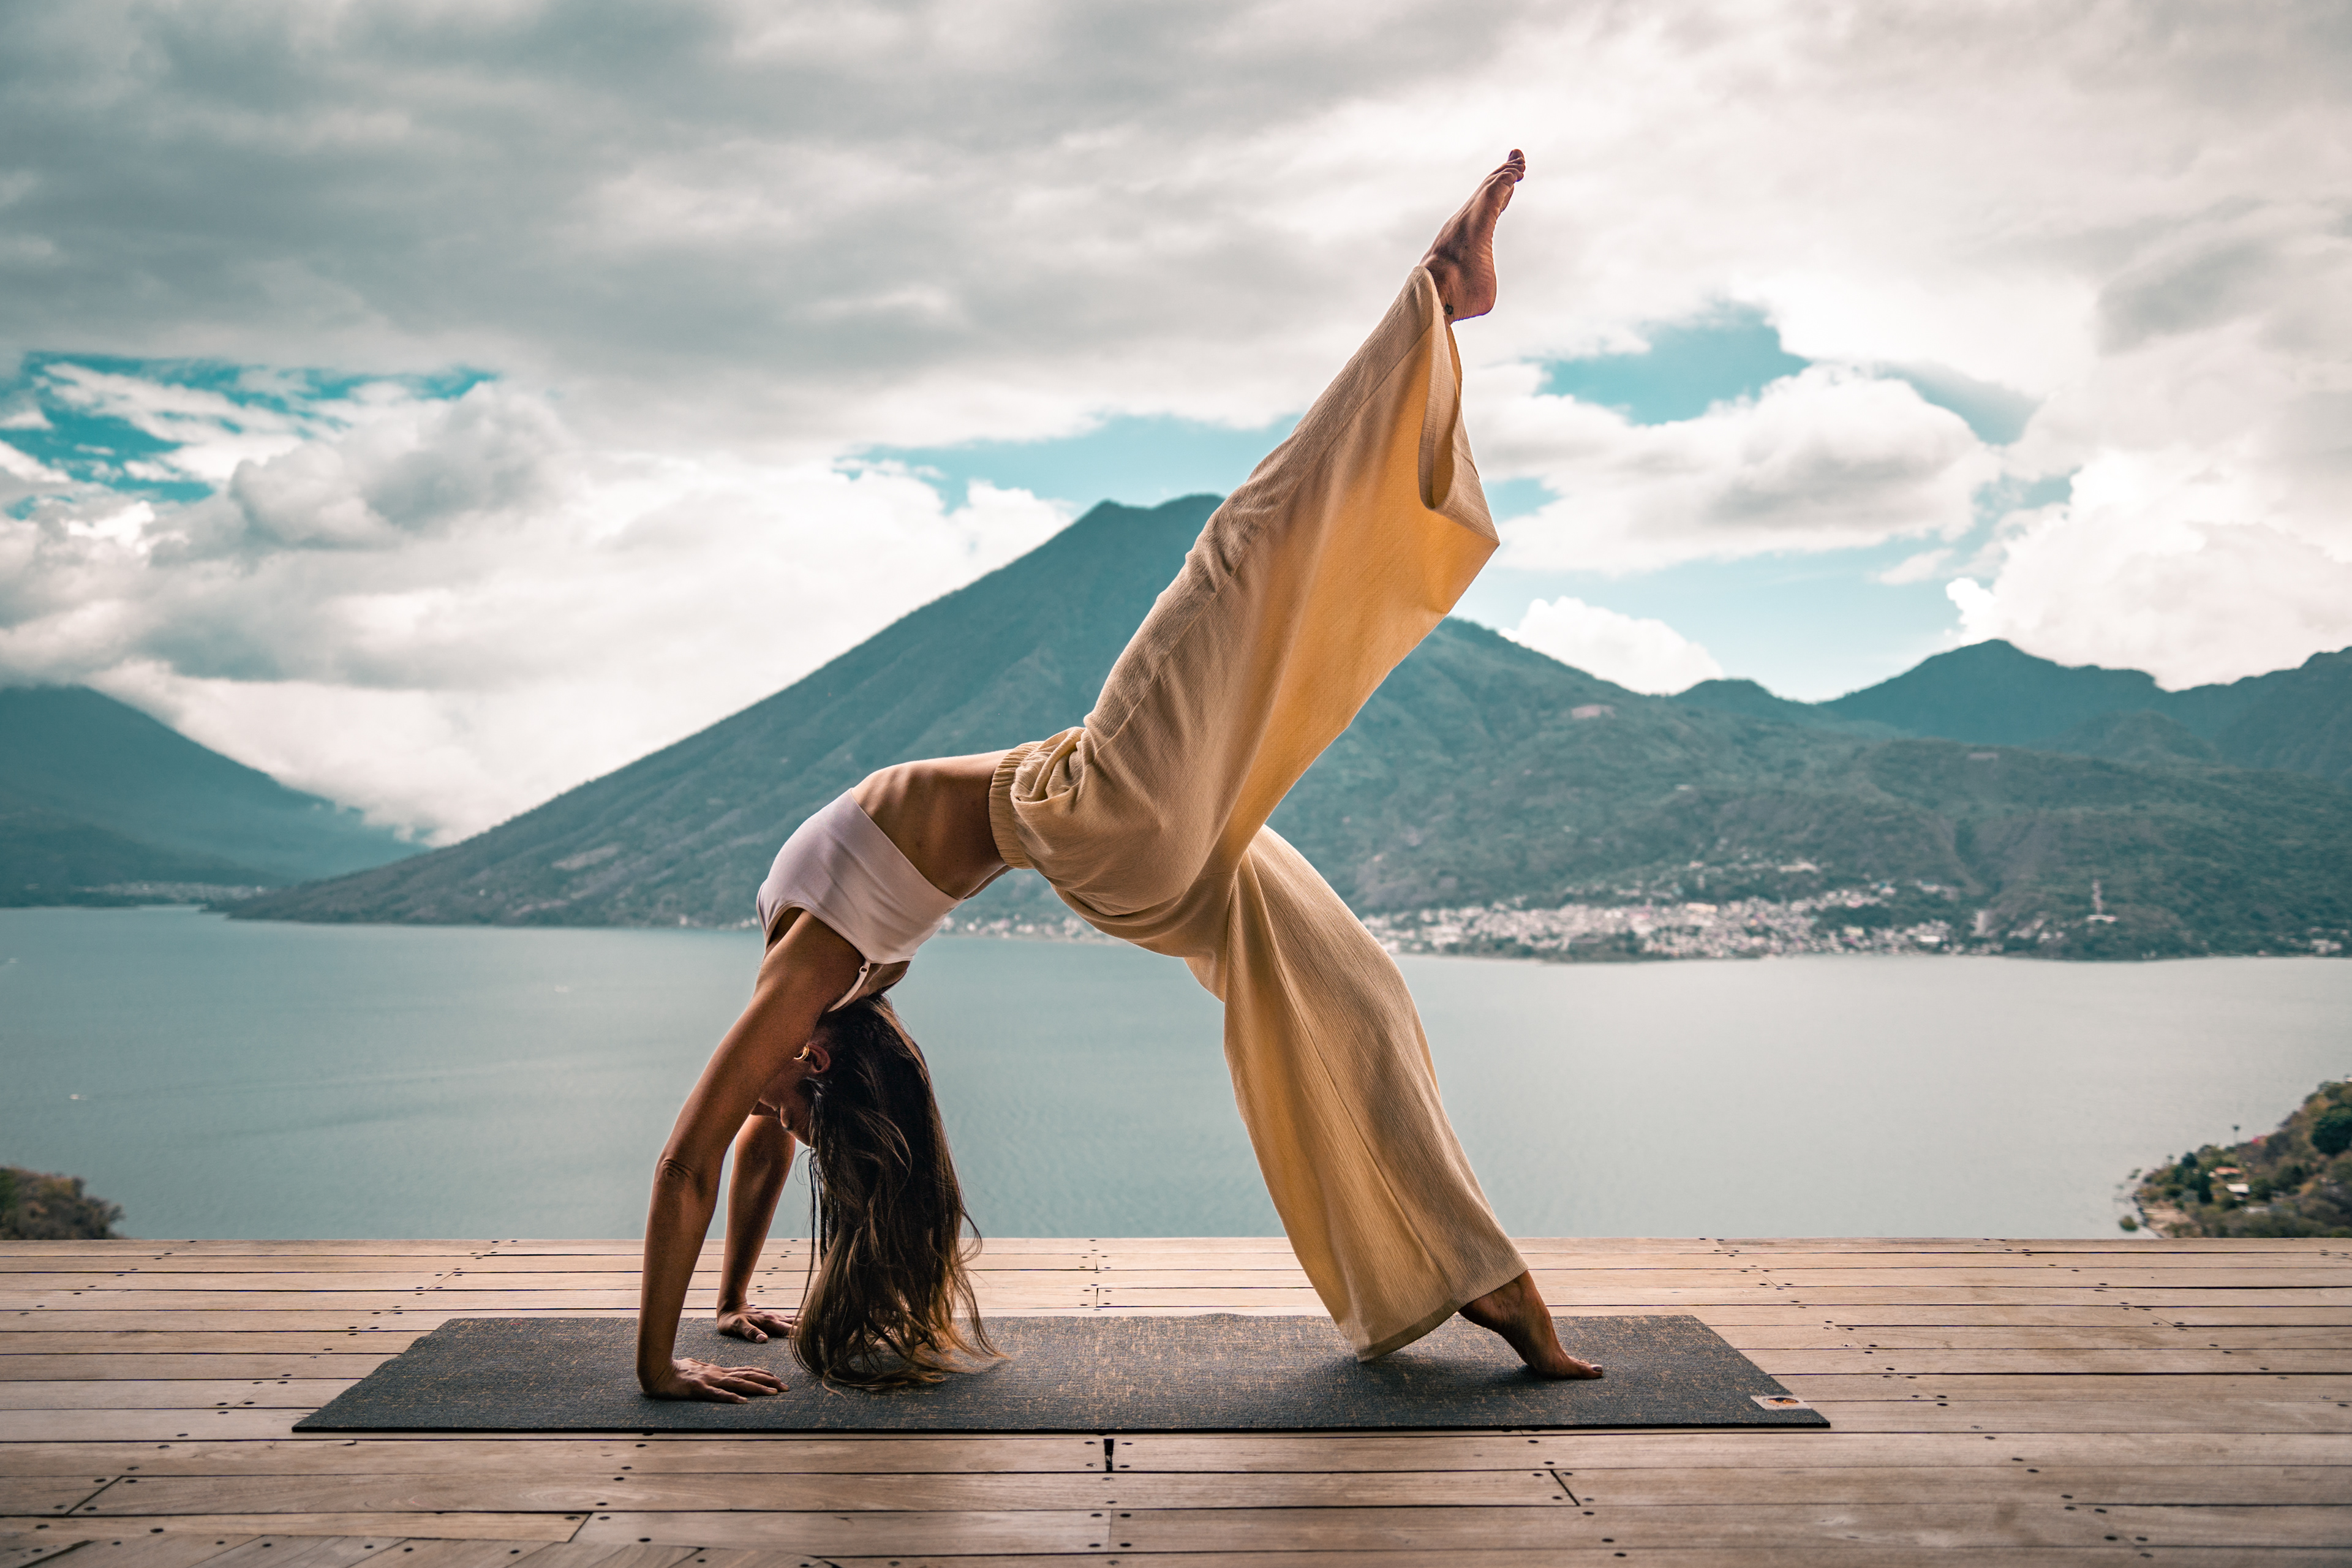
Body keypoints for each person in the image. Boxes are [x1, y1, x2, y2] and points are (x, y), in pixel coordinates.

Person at [635, 149, 1604, 1402]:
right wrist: (658, 1364)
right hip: (1083, 812)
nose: (772, 1109)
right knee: (1238, 559)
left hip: (1121, 861)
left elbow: (737, 1148)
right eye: (805, 1107)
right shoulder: (814, 978)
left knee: (1341, 979)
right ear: (817, 1059)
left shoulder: (816, 1007)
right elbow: (685, 1165)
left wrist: (723, 1306)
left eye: (792, 1114)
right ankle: (1434, 295)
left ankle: (1474, 1273)